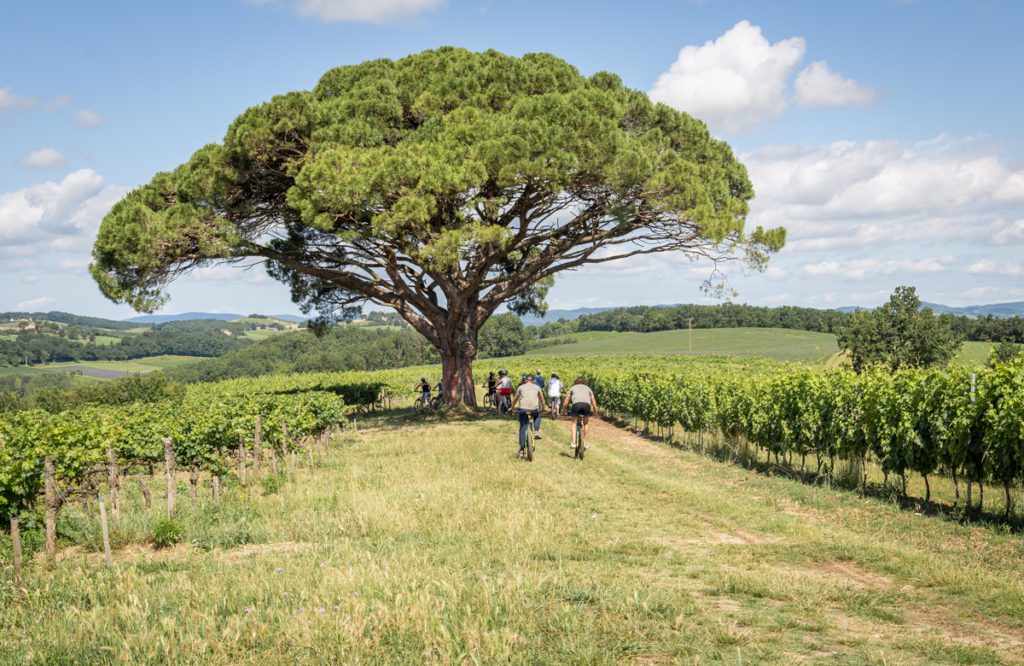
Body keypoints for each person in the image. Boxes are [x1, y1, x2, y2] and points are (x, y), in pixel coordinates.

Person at [511, 372, 546, 456]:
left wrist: (512, 407)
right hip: (534, 409)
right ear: (533, 380)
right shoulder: (537, 387)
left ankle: (522, 449)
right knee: (538, 415)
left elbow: (515, 399)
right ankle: (536, 430)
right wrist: (543, 408)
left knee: (523, 427)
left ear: (525, 380)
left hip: (522, 409)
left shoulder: (521, 387)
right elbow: (542, 399)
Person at [562, 376, 598, 451]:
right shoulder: (588, 388)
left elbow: (566, 400)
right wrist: (595, 412)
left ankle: (574, 442)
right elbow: (593, 401)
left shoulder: (573, 388)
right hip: (586, 405)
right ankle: (585, 442)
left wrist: (563, 410)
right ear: (584, 382)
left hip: (576, 405)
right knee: (586, 424)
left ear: (576, 382)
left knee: (573, 423)